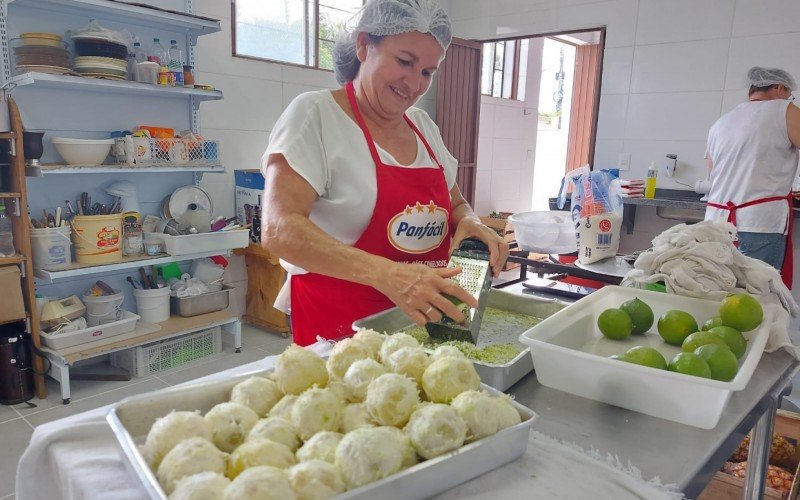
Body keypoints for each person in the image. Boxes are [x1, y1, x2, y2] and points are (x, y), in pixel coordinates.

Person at [260, 0, 509, 346]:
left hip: (423, 328)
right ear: (363, 45)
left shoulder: (423, 126)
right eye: (405, 61)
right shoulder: (316, 115)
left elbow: (456, 204)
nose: (414, 83)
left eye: (427, 72)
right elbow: (278, 229)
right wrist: (390, 276)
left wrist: (470, 220)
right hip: (340, 333)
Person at [705, 66, 800, 288]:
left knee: (720, 292)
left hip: (715, 223)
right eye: (789, 93)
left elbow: (711, 173)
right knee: (758, 299)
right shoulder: (784, 109)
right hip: (759, 223)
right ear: (779, 88)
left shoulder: (722, 122)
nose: (789, 98)